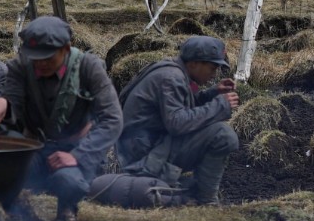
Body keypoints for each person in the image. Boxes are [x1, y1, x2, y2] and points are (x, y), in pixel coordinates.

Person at [2, 16, 121, 221]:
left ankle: (67, 212)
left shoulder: (89, 68)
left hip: (76, 148)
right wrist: (2, 105)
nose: (41, 63)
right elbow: (12, 108)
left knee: (68, 181)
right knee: (7, 170)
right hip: (35, 146)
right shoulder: (20, 68)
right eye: (36, 58)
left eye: (48, 57)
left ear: (67, 48)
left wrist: (78, 156)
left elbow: (112, 119)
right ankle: (17, 211)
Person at [94, 35, 239, 208]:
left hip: (149, 147)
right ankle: (205, 200)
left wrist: (212, 93)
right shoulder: (172, 78)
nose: (215, 73)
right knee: (222, 135)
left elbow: (181, 108)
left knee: (218, 132)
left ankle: (192, 191)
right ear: (194, 63)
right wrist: (220, 105)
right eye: (212, 67)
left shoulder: (173, 71)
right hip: (143, 158)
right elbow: (178, 123)